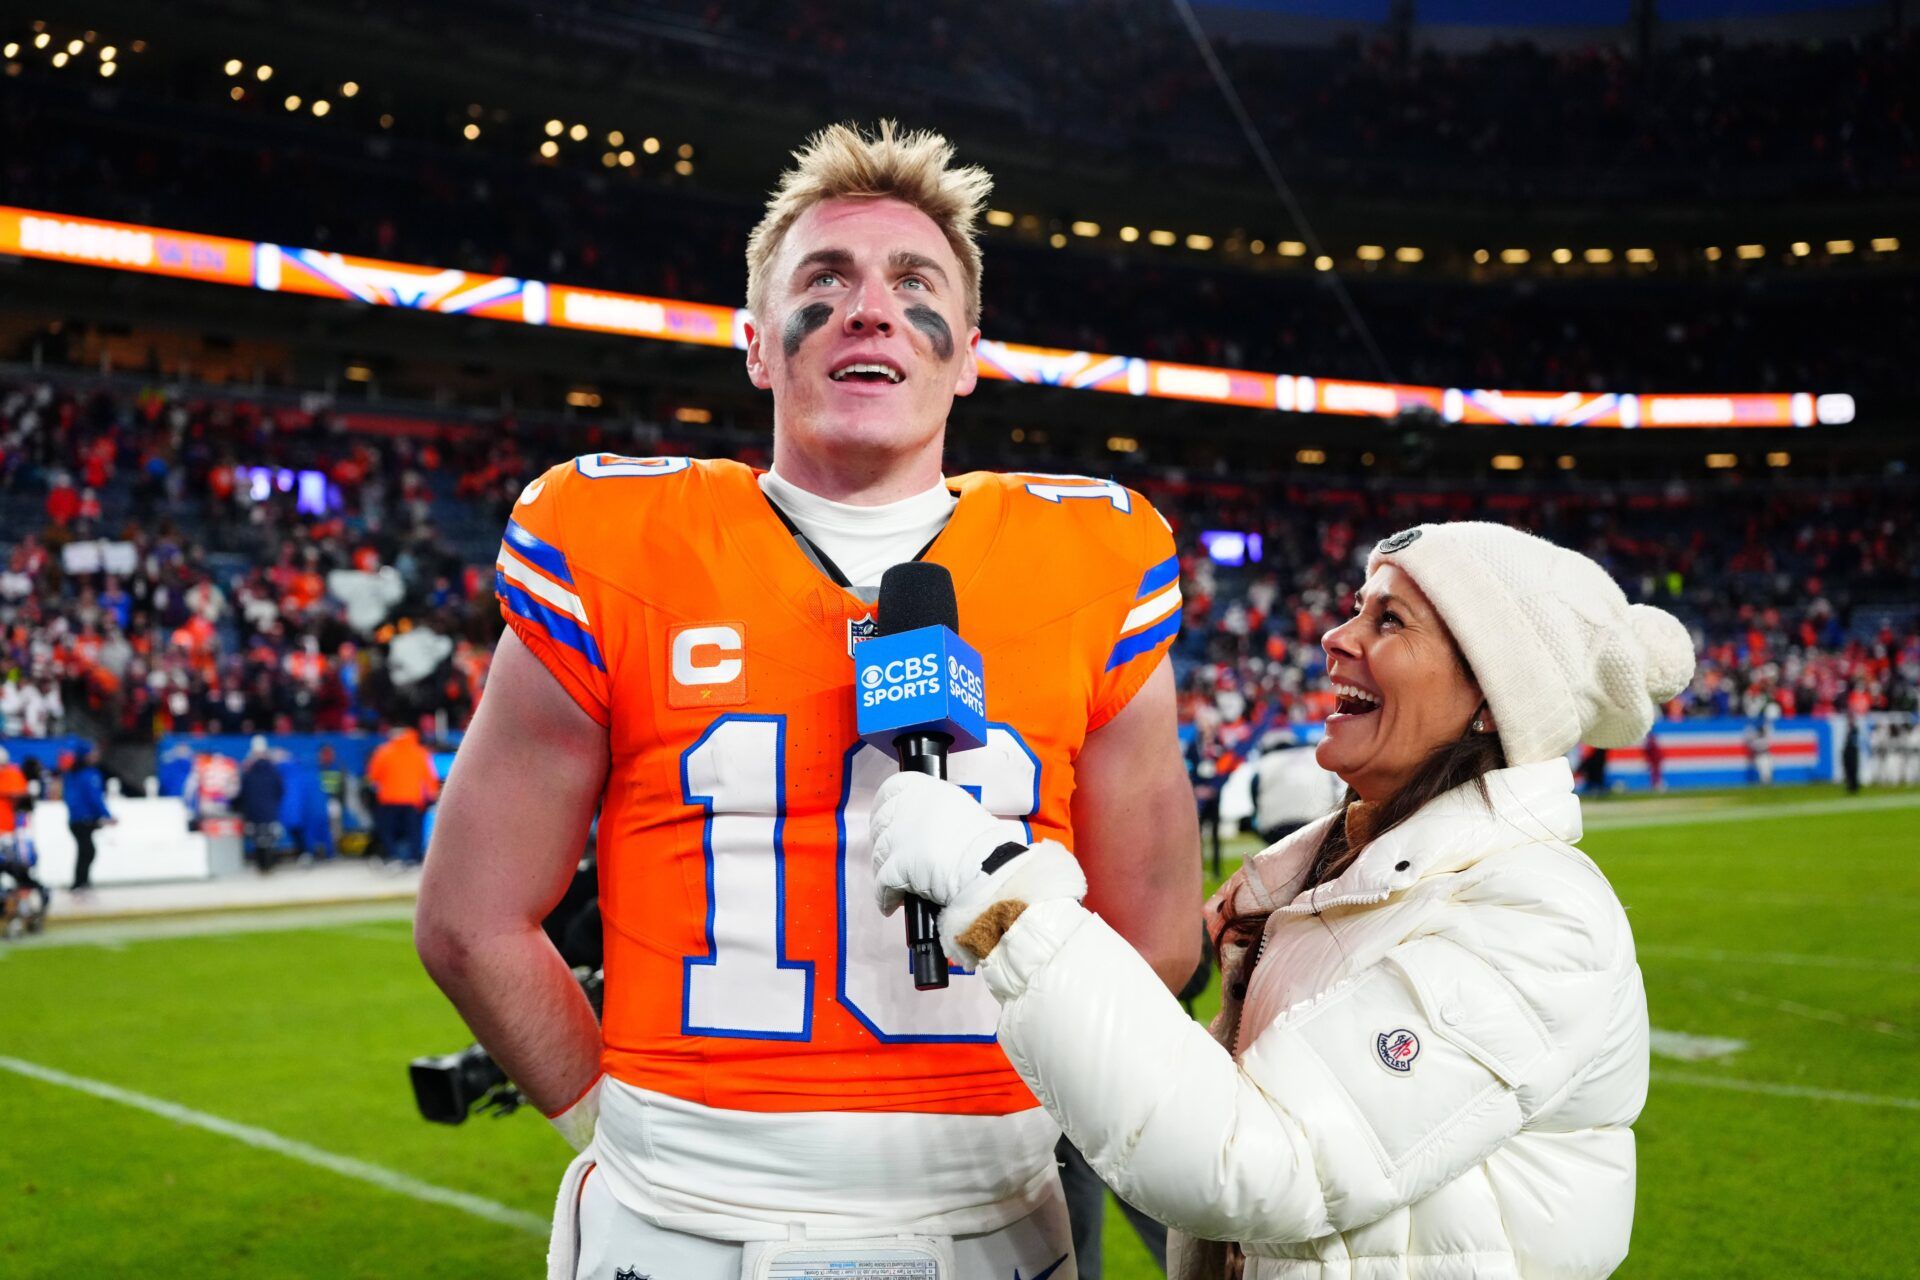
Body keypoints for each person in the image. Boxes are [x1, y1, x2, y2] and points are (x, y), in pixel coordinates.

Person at [415, 120, 1201, 1280]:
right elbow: (470, 919)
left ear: (968, 350)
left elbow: (1156, 936)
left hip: (995, 1211)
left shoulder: (1093, 551)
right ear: (756, 344)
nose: (869, 308)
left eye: (912, 281)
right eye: (822, 281)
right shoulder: (614, 534)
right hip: (684, 1218)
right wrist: (620, 1131)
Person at [872, 521, 1697, 1280]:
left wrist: (1002, 896)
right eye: (1354, 609)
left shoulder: (1537, 914)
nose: (1337, 638)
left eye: (1392, 621)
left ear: (1492, 697)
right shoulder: (1326, 870)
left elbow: (1257, 1164)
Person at [365, 726, 438, 866]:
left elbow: (373, 776)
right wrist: (431, 794)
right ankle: (414, 858)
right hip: (412, 799)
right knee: (413, 830)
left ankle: (393, 855)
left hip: (389, 798)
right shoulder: (420, 753)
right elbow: (429, 777)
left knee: (388, 829)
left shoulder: (384, 752)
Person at [63, 745, 112, 892]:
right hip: (84, 819)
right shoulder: (89, 775)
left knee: (85, 850)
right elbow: (94, 797)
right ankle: (80, 882)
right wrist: (106, 815)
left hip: (75, 819)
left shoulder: (71, 775)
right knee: (87, 851)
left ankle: (81, 881)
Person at [237, 736, 285, 873]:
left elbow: (243, 793)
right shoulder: (273, 771)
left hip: (254, 813)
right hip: (269, 811)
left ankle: (262, 866)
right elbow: (280, 791)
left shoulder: (248, 772)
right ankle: (269, 865)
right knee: (270, 841)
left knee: (258, 841)